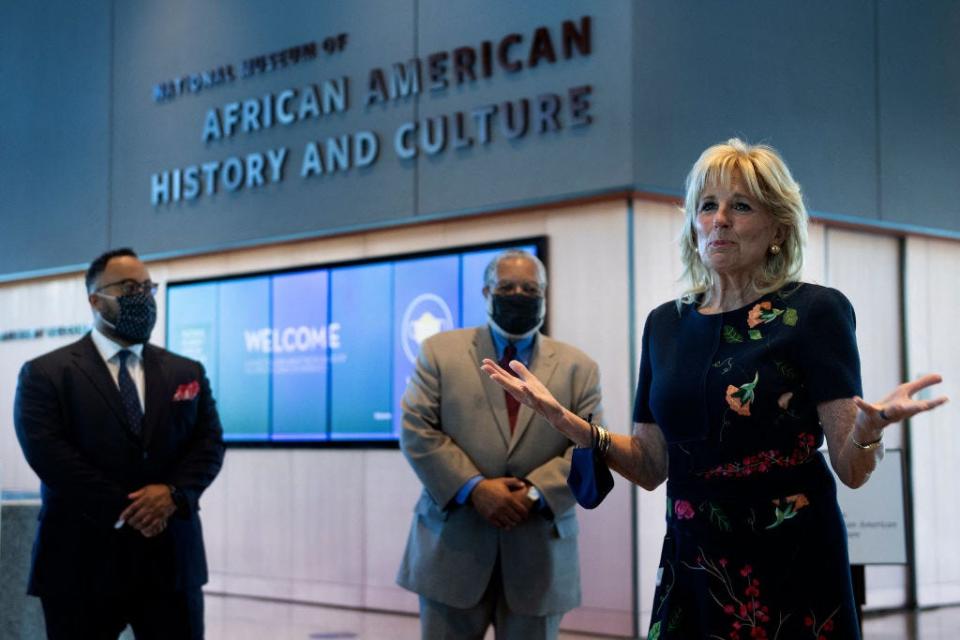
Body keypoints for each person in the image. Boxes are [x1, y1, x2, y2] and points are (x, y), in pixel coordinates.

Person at [482, 139, 949, 639]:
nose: (720, 219)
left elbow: (852, 470)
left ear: (777, 226)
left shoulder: (815, 312)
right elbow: (650, 464)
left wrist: (868, 426)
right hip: (694, 558)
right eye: (708, 205)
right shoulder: (666, 324)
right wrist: (569, 423)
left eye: (740, 205)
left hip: (790, 560)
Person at [14, 248, 225, 640]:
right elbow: (49, 455)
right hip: (80, 564)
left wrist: (173, 494)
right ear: (95, 299)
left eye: (148, 287)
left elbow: (209, 444)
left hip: (170, 564)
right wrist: (131, 508)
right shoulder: (46, 374)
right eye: (129, 287)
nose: (142, 297)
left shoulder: (185, 370)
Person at [396, 249, 602, 639]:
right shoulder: (440, 352)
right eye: (507, 287)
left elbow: (591, 446)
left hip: (539, 555)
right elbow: (415, 428)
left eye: (530, 288)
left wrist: (533, 494)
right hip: (451, 551)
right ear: (486, 291)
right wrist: (475, 489)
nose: (519, 294)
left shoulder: (580, 367)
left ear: (544, 293)